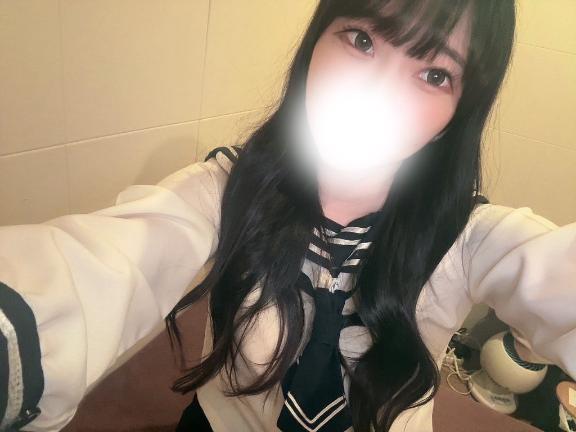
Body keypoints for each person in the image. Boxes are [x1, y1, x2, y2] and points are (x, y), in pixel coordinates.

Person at [1, 0, 575, 431]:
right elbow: (109, 263)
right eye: (362, 39)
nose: (377, 93)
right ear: (314, 44)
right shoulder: (227, 188)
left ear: (458, 113)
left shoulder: (470, 238)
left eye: (434, 74)